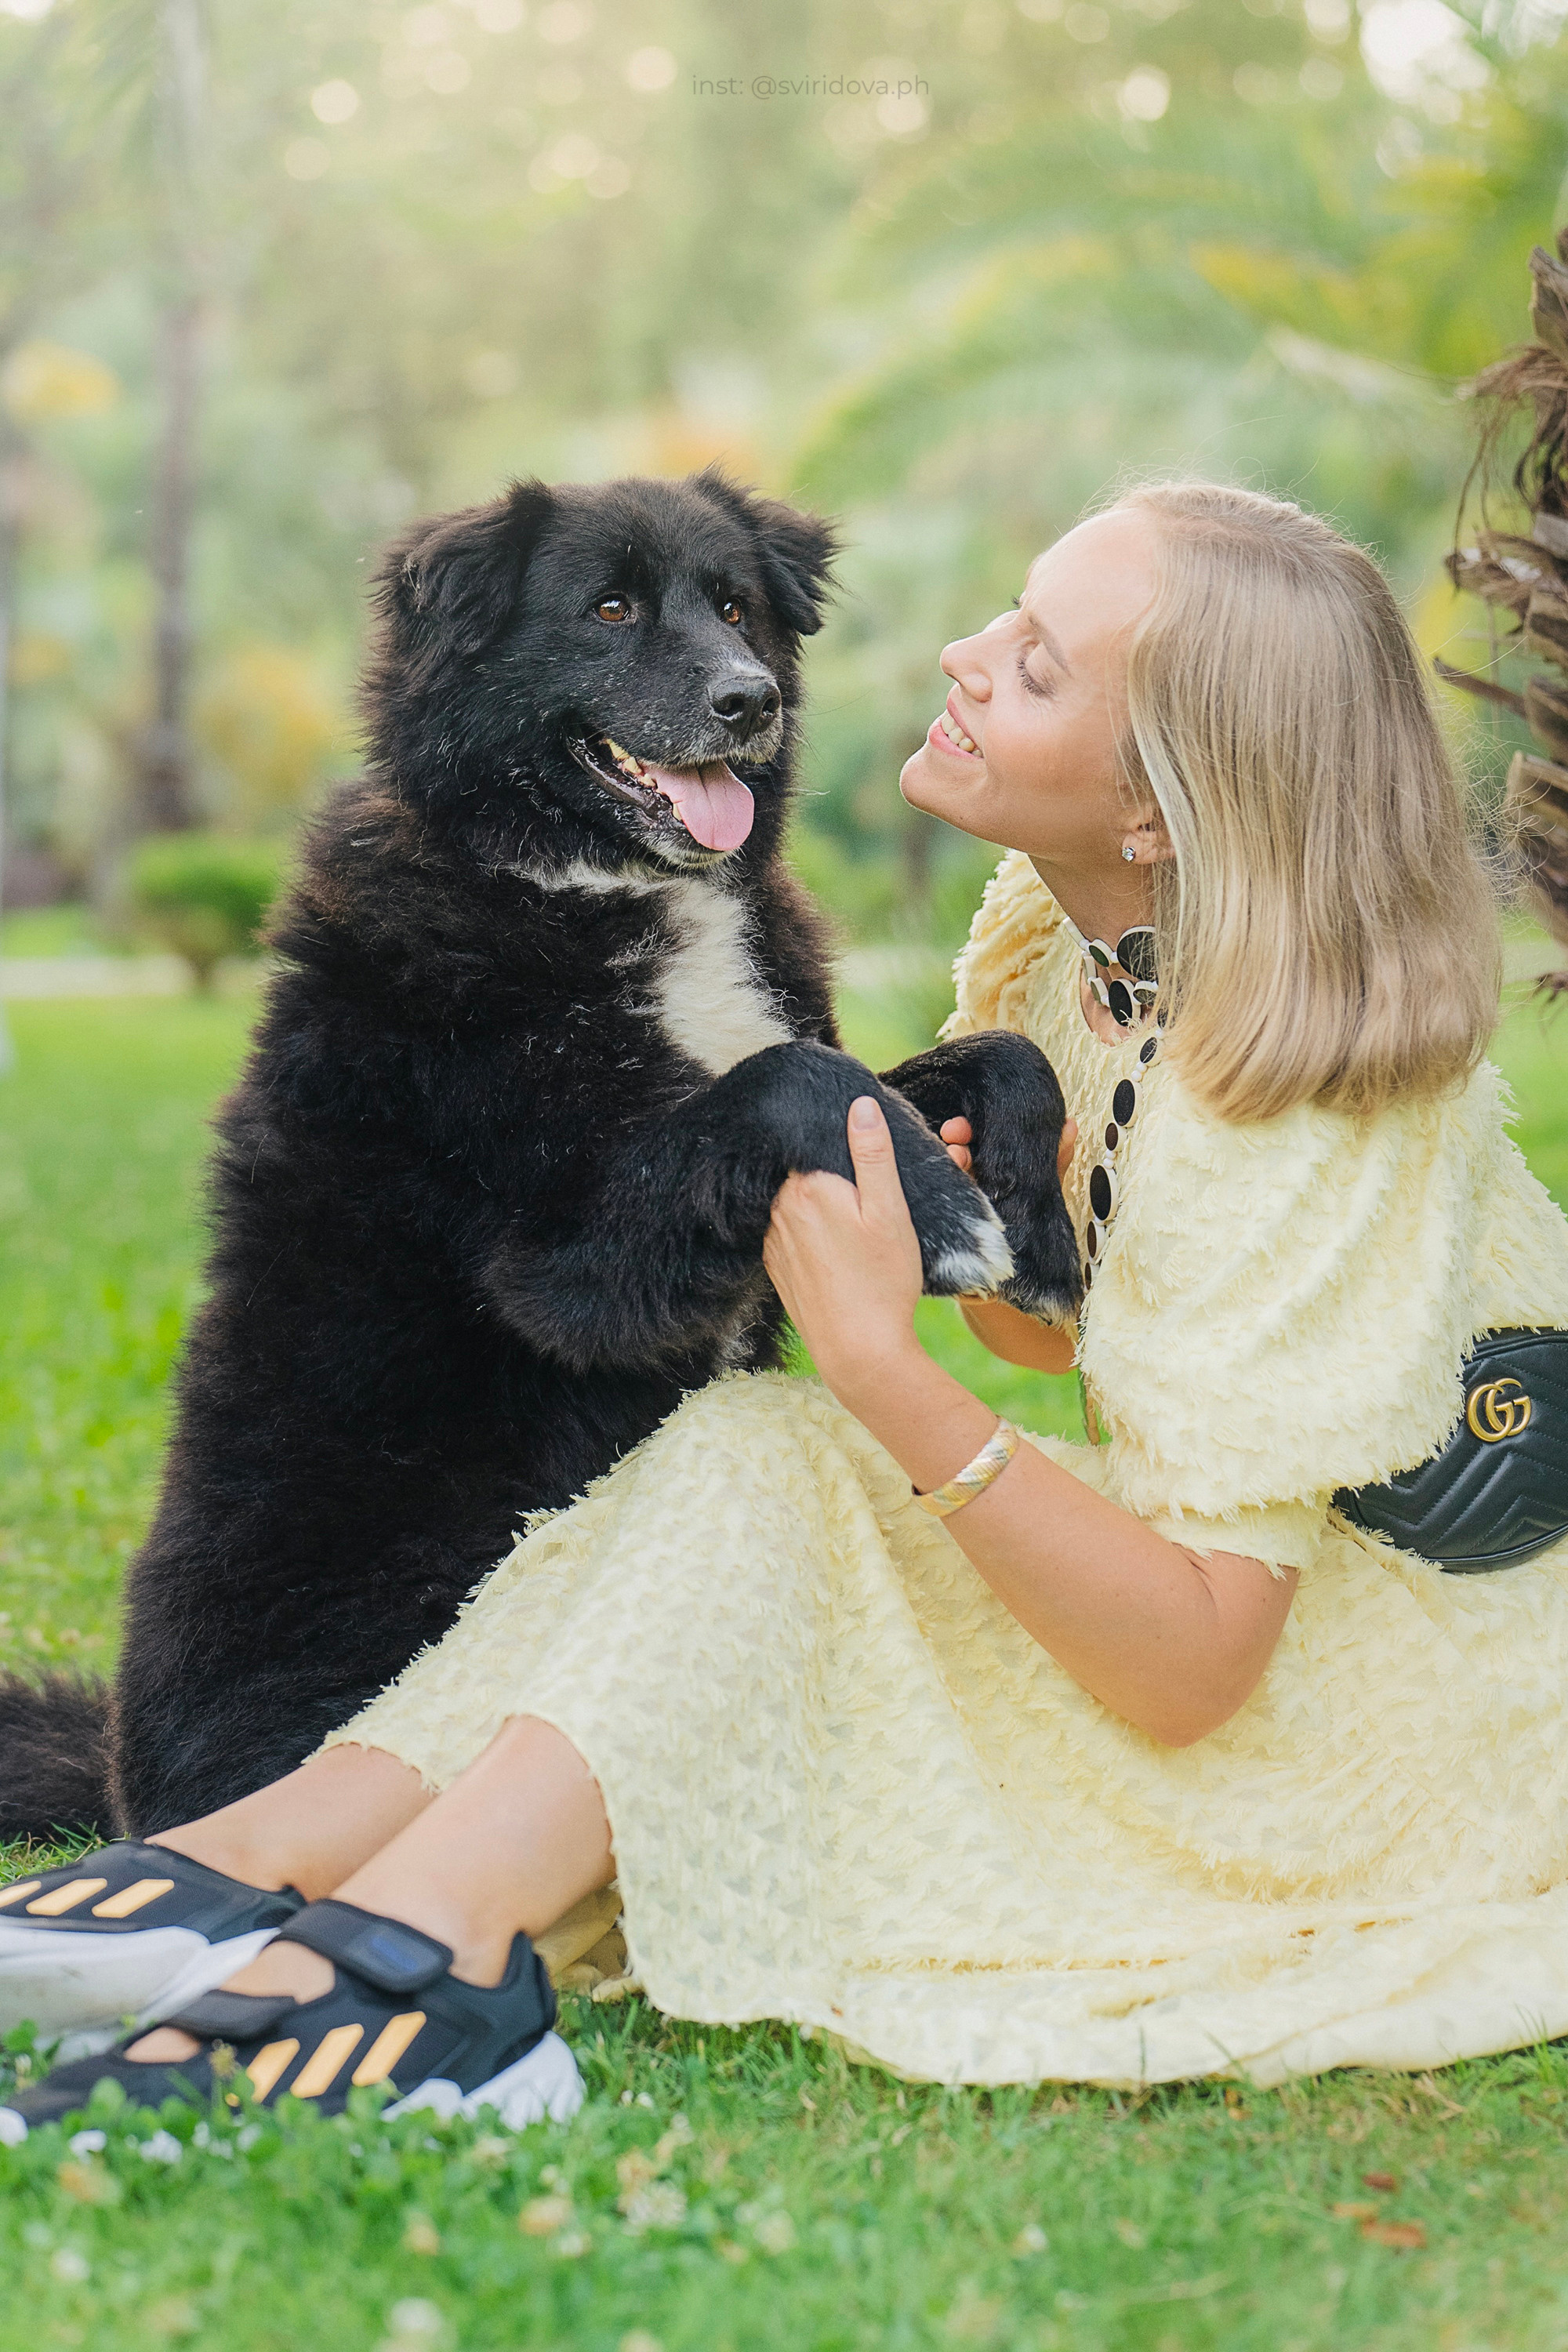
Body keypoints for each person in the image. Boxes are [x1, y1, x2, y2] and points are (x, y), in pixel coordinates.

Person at [6, 481, 1568, 2140]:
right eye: (1005, 621)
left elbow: (1194, 1667)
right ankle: (252, 1880)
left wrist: (884, 1369)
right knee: (763, 1458)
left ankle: (397, 1949)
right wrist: (984, 1198)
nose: (959, 658)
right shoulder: (1068, 935)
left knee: (777, 1449)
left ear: (1156, 817)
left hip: (1372, 1738)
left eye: (1034, 667)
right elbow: (1065, 1335)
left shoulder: (1311, 1113)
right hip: (349, 1592)